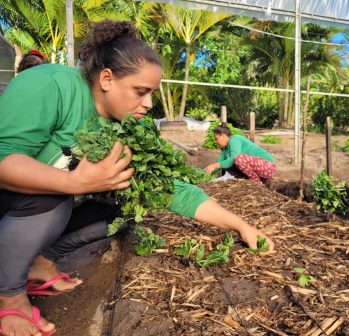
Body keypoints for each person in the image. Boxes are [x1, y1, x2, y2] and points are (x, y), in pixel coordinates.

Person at [0, 20, 273, 336]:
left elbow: (168, 188)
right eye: (141, 92)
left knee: (124, 205)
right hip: (12, 198)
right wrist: (75, 183)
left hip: (32, 211)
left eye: (152, 94)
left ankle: (40, 261)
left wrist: (240, 225)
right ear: (106, 79)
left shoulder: (131, 127)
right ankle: (8, 296)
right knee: (54, 193)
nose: (149, 104)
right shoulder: (51, 85)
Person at [205, 124, 277, 186]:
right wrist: (204, 172)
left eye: (216, 139)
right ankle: (251, 180)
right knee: (226, 166)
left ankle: (257, 184)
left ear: (223, 136)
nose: (216, 141)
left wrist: (215, 165)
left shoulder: (234, 139)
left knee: (238, 159)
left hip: (268, 166)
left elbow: (233, 159)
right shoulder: (225, 149)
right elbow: (219, 163)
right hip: (258, 170)